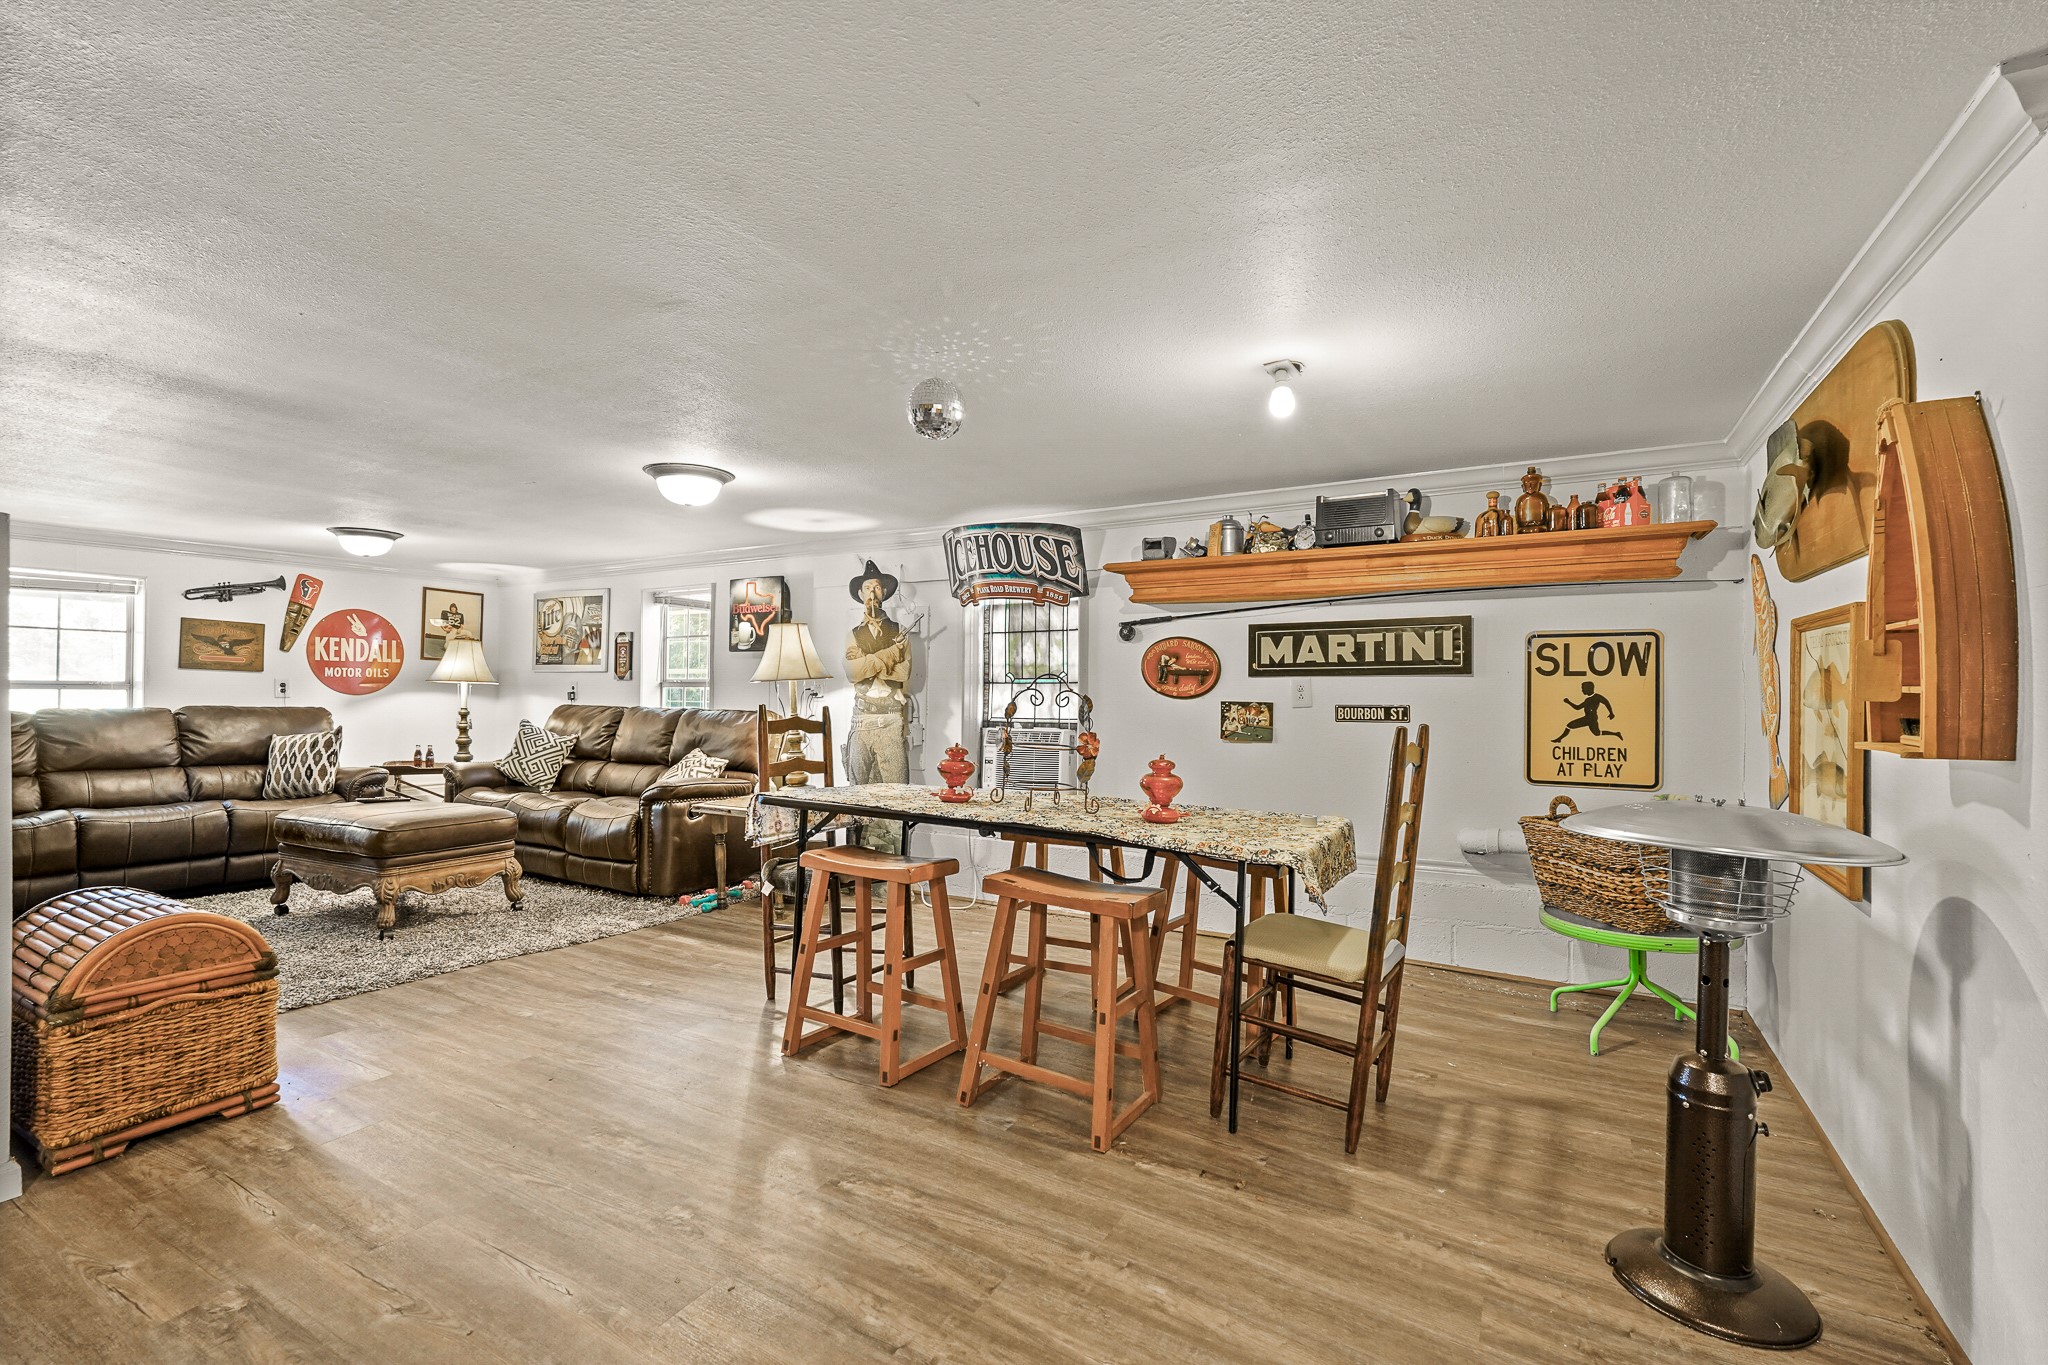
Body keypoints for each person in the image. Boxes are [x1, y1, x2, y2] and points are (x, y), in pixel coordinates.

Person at [845, 560, 912, 853]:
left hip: (890, 719)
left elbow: (903, 674)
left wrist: (871, 666)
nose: (872, 592)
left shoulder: (899, 631)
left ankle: (892, 875)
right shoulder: (853, 634)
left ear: (884, 593)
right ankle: (858, 872)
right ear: (860, 595)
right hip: (860, 719)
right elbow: (852, 673)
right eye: (867, 588)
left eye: (877, 587)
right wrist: (888, 655)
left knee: (895, 796)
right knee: (858, 795)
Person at [1552, 680, 1622, 743]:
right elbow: (1578, 707)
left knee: (1569, 725)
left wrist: (1611, 713)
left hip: (1590, 719)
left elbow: (1606, 702)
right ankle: (1616, 734)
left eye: (1583, 688)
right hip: (1589, 718)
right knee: (1597, 733)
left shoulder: (1597, 697)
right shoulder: (1588, 700)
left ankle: (1559, 739)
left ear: (1589, 689)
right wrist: (1568, 702)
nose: (1582, 690)